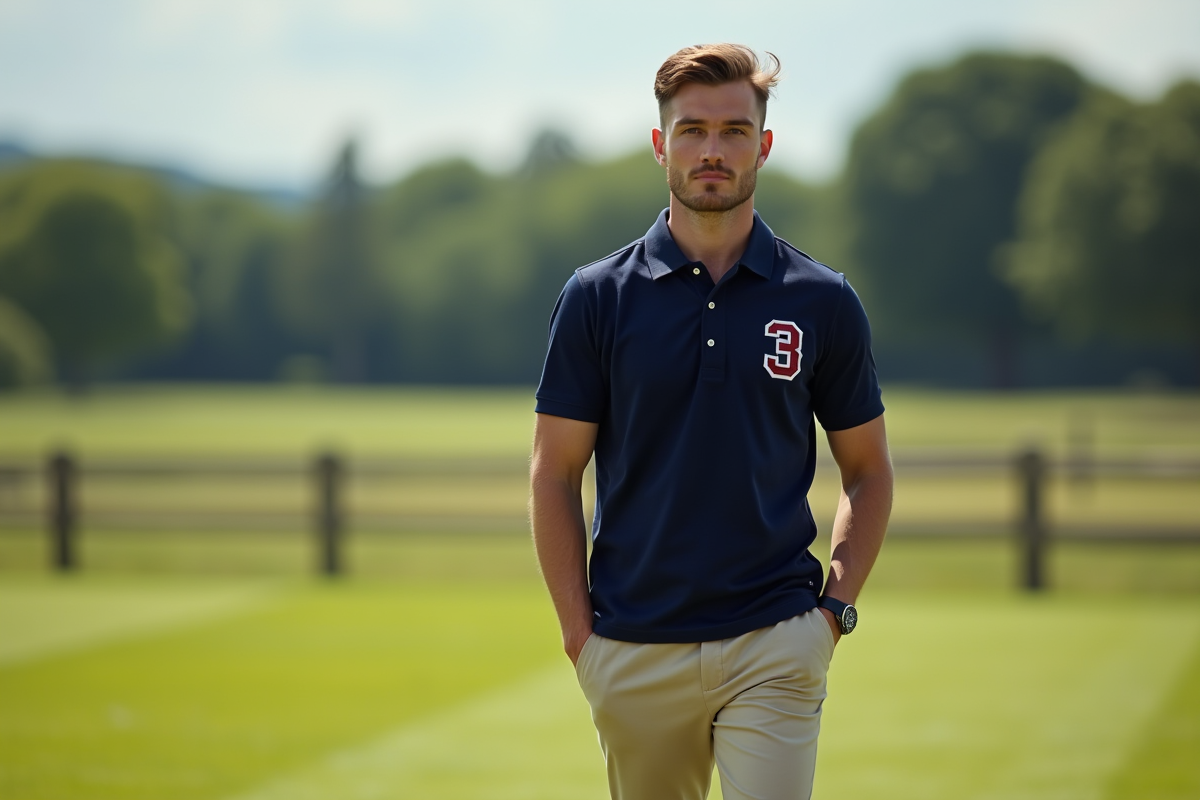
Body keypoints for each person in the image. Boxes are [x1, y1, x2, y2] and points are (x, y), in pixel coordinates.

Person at [529, 43, 893, 800]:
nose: (712, 151)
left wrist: (831, 613)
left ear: (763, 144)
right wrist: (580, 639)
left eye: (733, 131)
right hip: (633, 646)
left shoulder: (822, 301)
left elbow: (868, 468)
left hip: (776, 640)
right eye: (692, 130)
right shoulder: (597, 298)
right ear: (662, 144)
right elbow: (555, 472)